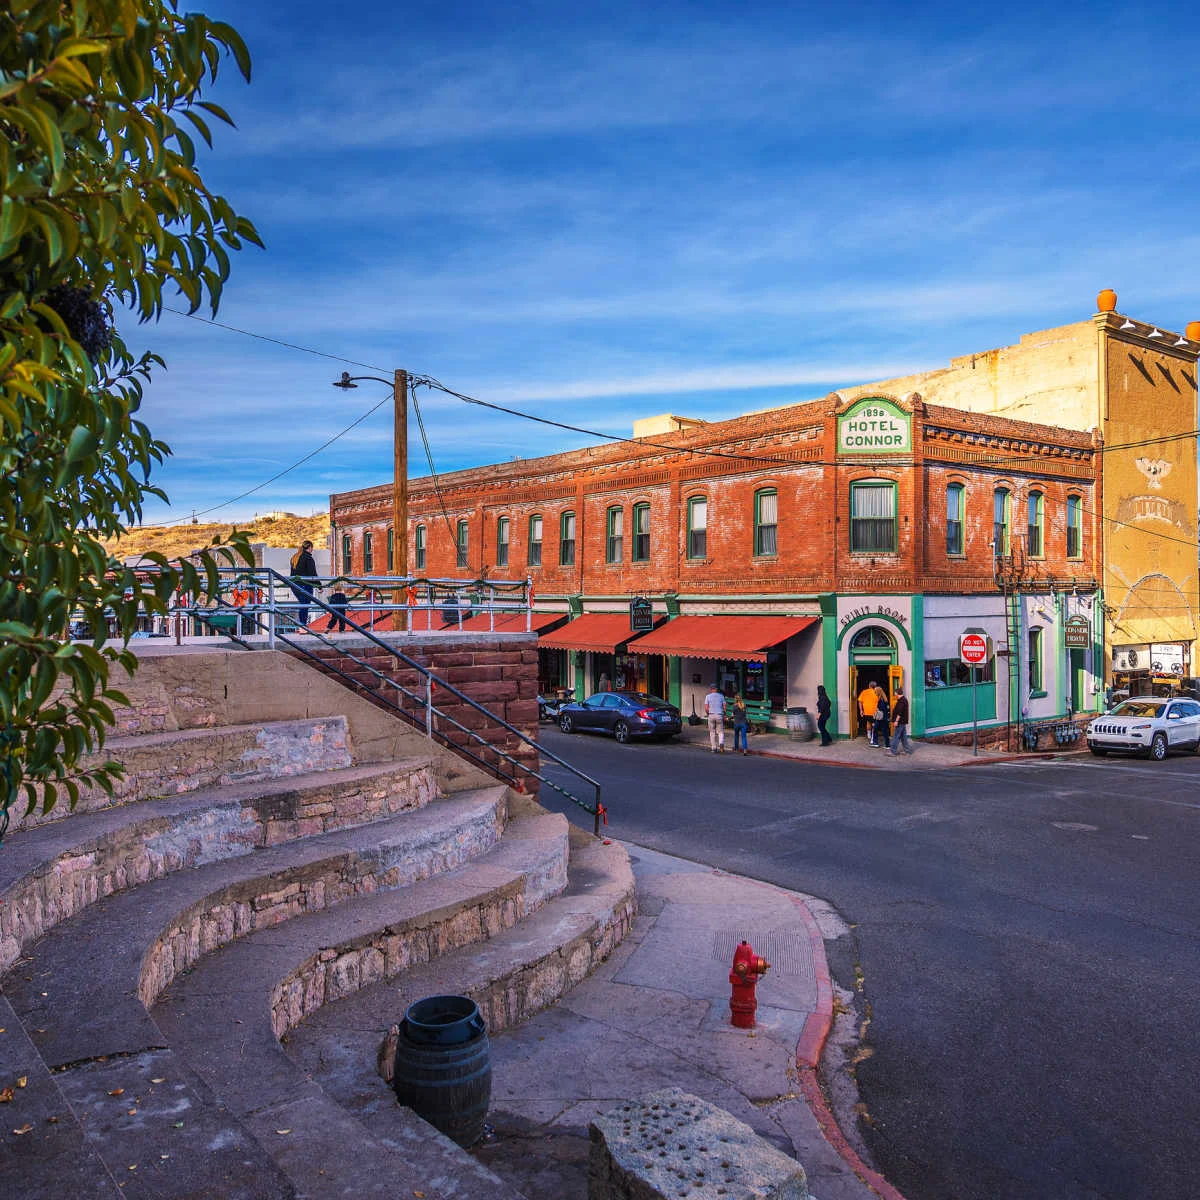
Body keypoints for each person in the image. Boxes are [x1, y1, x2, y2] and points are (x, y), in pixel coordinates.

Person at [289, 541, 318, 629]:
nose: (312, 550)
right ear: (309, 547)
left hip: (294, 585)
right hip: (305, 584)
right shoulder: (308, 558)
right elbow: (312, 573)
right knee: (305, 605)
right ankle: (303, 625)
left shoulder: (295, 557)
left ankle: (302, 625)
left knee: (303, 604)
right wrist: (319, 586)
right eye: (312, 548)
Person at [888, 685, 913, 756]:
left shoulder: (901, 701)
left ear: (897, 693)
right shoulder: (903, 700)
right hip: (902, 721)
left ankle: (893, 752)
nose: (895, 695)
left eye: (895, 694)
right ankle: (907, 751)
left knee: (896, 736)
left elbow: (899, 712)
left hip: (900, 722)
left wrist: (896, 721)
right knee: (903, 737)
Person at [704, 682, 726, 753]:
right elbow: (724, 707)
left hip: (711, 715)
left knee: (712, 732)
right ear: (716, 689)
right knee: (720, 732)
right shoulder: (721, 696)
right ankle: (721, 743)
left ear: (711, 689)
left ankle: (714, 748)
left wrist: (708, 714)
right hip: (719, 714)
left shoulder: (708, 696)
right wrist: (724, 714)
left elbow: (706, 708)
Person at [872, 683, 890, 748]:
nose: (874, 693)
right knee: (880, 730)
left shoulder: (881, 700)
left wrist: (877, 708)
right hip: (883, 718)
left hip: (881, 718)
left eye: (875, 692)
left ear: (878, 692)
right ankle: (877, 743)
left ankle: (885, 744)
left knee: (882, 730)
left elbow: (882, 709)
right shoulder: (884, 699)